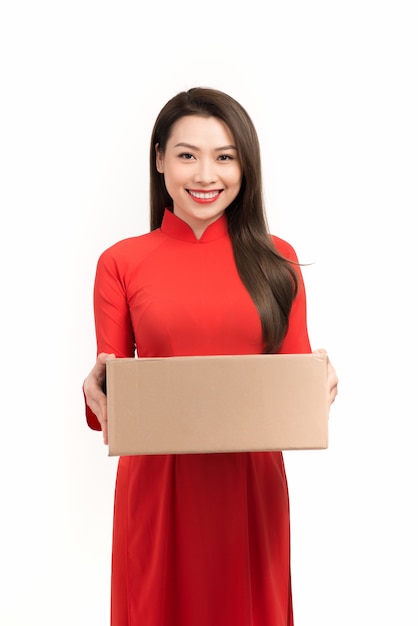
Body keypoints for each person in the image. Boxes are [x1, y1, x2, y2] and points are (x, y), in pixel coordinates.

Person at [83, 86, 338, 626]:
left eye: (225, 157)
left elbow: (293, 387)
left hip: (250, 488)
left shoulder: (277, 259)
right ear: (159, 160)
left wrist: (318, 384)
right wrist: (97, 388)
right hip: (157, 487)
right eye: (187, 155)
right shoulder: (121, 263)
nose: (206, 176)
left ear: (245, 166)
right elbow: (108, 399)